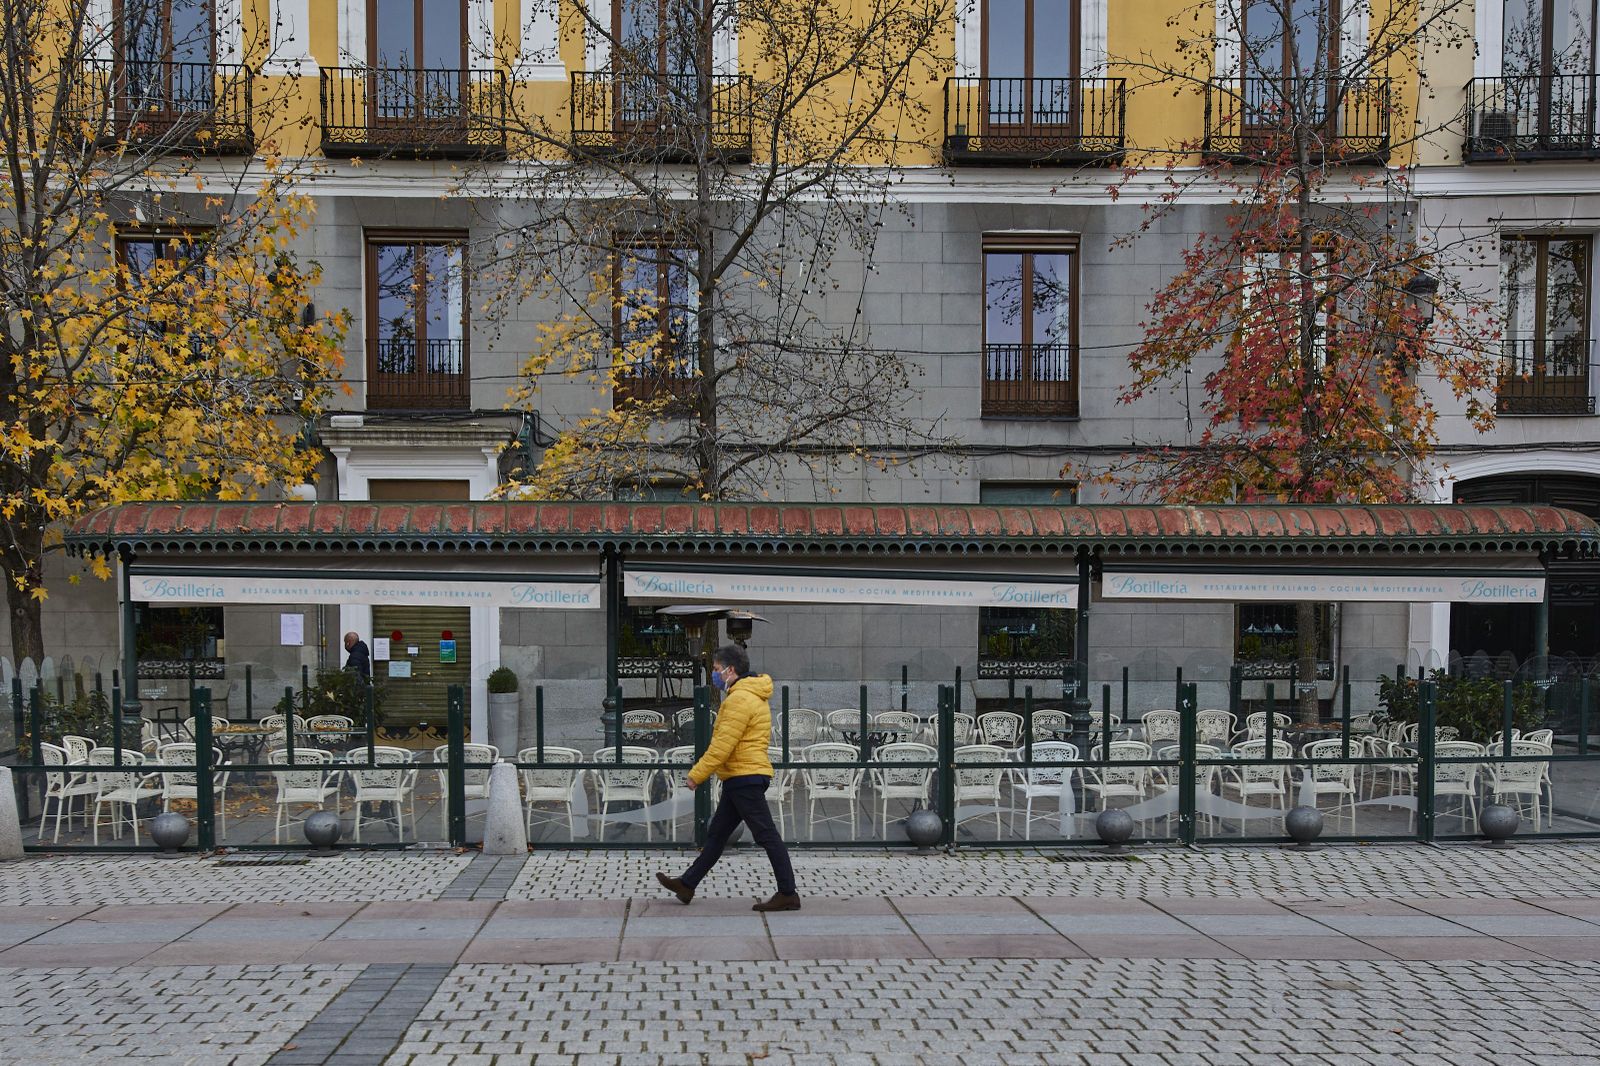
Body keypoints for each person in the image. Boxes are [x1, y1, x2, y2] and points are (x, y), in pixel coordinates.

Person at [657, 644, 800, 912]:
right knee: (717, 834)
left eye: (715, 669)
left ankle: (788, 893)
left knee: (766, 835)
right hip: (740, 775)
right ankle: (687, 884)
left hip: (744, 776)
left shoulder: (739, 699)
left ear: (729, 670)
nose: (714, 674)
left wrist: (697, 774)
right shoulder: (747, 695)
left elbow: (723, 745)